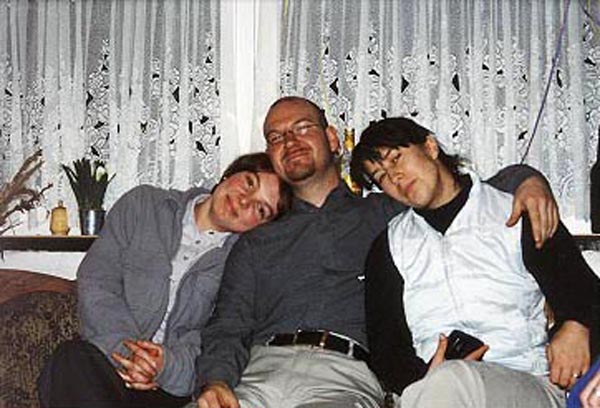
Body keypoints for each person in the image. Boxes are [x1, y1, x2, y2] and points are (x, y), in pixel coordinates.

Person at [192, 96, 560, 408]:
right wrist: (216, 382)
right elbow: (227, 327)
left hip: (343, 378)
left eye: (302, 128)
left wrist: (527, 179)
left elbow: (462, 191)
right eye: (275, 137)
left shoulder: (389, 214)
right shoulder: (256, 241)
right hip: (258, 376)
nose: (289, 140)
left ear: (332, 139)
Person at [350, 117, 600, 408]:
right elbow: (386, 350)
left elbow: (584, 290)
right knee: (444, 383)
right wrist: (420, 377)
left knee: (450, 381)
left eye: (396, 158)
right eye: (381, 176)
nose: (395, 177)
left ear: (430, 147)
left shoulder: (515, 213)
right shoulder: (389, 245)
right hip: (433, 389)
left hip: (525, 380)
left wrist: (576, 325)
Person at [38, 152, 293, 408]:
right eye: (249, 183)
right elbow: (98, 282)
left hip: (170, 388)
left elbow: (219, 335)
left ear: (260, 227)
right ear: (230, 174)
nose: (245, 200)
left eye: (260, 209)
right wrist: (129, 355)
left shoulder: (243, 263)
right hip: (107, 364)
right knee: (70, 359)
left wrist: (165, 366)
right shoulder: (143, 206)